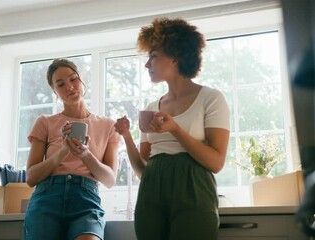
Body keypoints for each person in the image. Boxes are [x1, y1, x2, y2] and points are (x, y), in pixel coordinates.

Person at [114, 18, 230, 240]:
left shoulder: (211, 99)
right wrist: (127, 136)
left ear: (175, 56)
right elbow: (143, 169)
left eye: (154, 56)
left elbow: (216, 162)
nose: (147, 64)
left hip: (194, 188)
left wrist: (175, 128)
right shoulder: (150, 108)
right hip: (151, 191)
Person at [24, 58, 120, 240]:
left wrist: (85, 154)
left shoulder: (108, 126)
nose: (69, 87)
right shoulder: (45, 122)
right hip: (47, 199)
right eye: (60, 84)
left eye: (73, 79)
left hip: (86, 200)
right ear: (54, 91)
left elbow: (109, 179)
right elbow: (31, 178)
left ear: (82, 80)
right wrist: (62, 151)